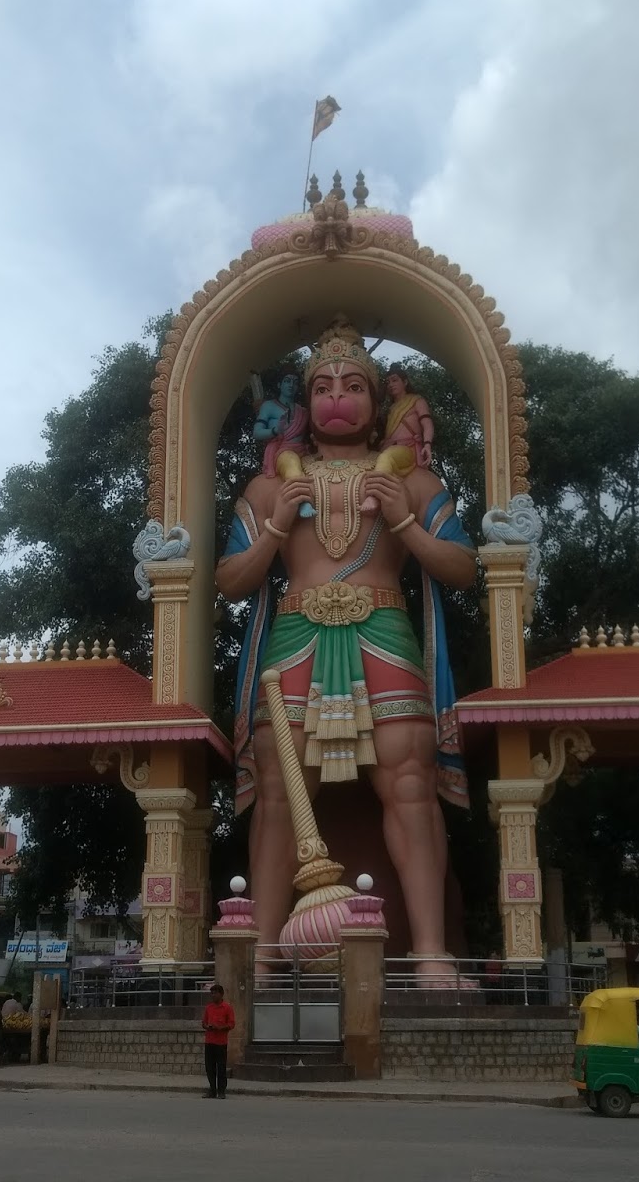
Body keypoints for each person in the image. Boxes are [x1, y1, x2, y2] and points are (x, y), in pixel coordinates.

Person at [217, 315, 477, 983]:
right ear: (305, 403)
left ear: (379, 402)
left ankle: (430, 955)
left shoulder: (412, 481)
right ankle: (266, 959)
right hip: (298, 636)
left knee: (411, 786)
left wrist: (406, 524)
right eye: (325, 384)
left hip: (383, 631)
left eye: (355, 384)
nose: (339, 395)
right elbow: (230, 582)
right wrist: (276, 524)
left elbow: (461, 567)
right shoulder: (271, 486)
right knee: (279, 791)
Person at [379, 368, 435, 467]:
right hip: (388, 447)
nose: (391, 385)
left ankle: (377, 482)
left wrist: (427, 444)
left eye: (394, 380)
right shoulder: (390, 409)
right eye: (388, 382)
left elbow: (427, 424)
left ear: (405, 382)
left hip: (408, 449)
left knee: (386, 458)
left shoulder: (416, 400)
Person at [201, 983, 236, 1099]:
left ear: (221, 995)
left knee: (221, 1068)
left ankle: (221, 1091)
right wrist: (208, 1027)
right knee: (210, 1068)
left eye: (215, 993)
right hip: (209, 1041)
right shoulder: (208, 1008)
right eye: (212, 993)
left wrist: (220, 1028)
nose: (213, 996)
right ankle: (212, 1090)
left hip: (221, 1042)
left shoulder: (227, 1008)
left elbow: (231, 1024)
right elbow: (203, 1023)